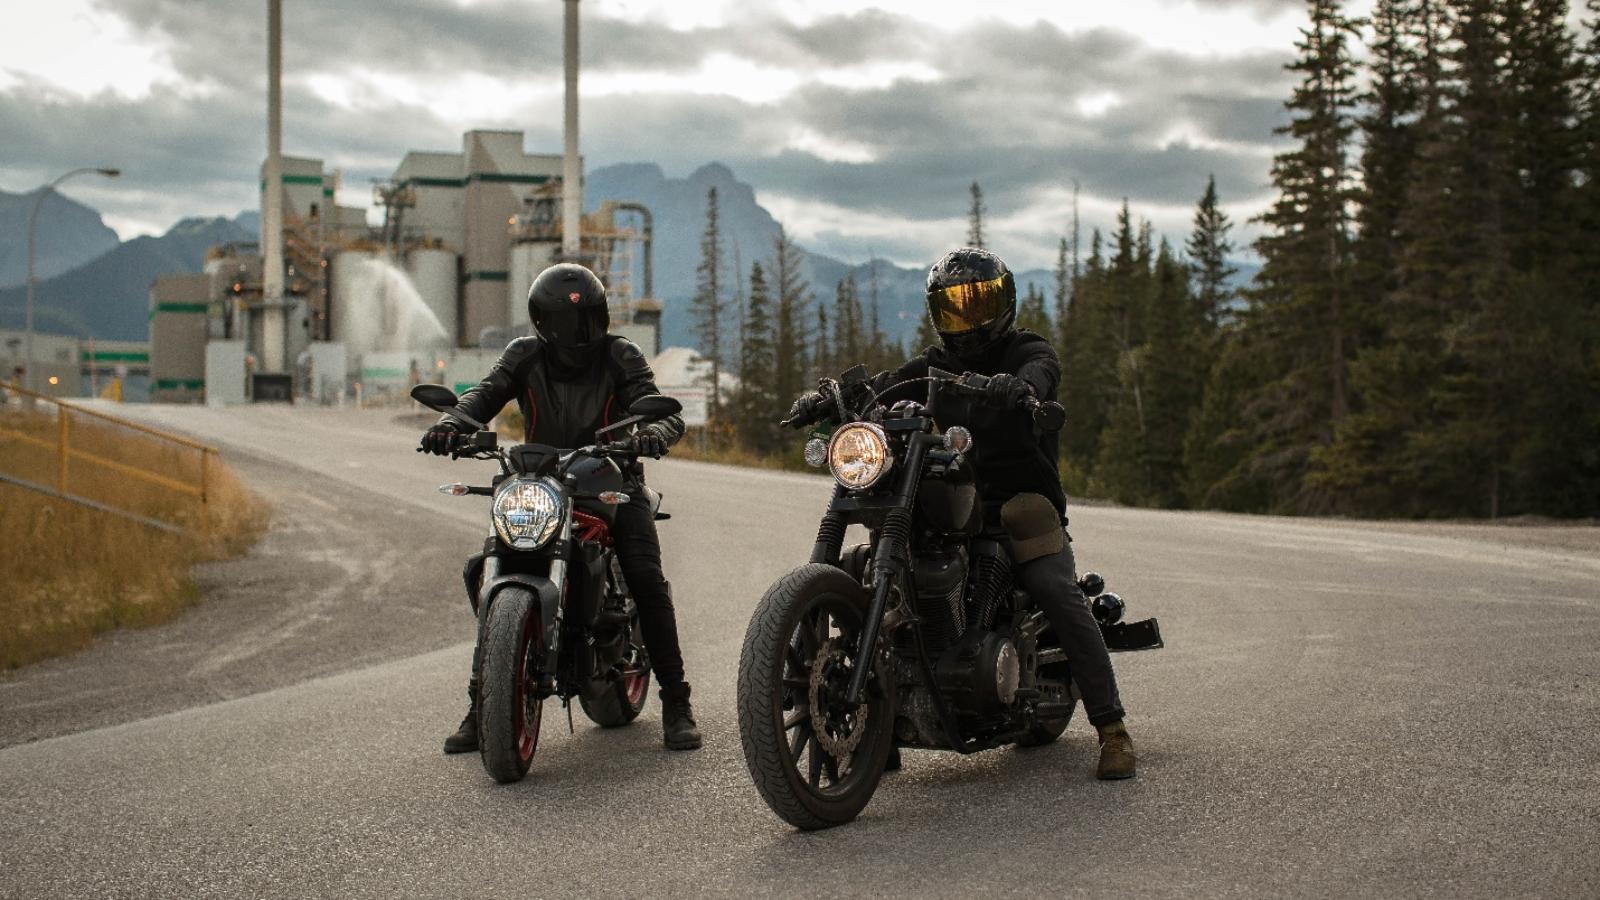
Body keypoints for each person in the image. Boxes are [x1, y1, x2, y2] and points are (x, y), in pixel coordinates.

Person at [786, 247, 1135, 780]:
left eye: (978, 303)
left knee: (1052, 586)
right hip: (946, 494)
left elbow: (1043, 371)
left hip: (1018, 501)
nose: (967, 318)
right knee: (873, 559)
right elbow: (888, 383)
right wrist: (834, 397)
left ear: (1004, 303)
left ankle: (1113, 730)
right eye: (954, 307)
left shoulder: (1026, 351)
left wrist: (1021, 389)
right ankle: (882, 724)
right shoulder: (933, 366)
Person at [420, 262, 702, 753]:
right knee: (486, 567)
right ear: (543, 324)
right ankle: (482, 703)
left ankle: (676, 702)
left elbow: (651, 401)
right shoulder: (523, 356)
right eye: (574, 320)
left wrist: (654, 433)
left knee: (645, 579)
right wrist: (455, 424)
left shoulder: (621, 355)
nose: (584, 330)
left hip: (611, 479)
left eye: (591, 316)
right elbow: (483, 396)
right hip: (540, 480)